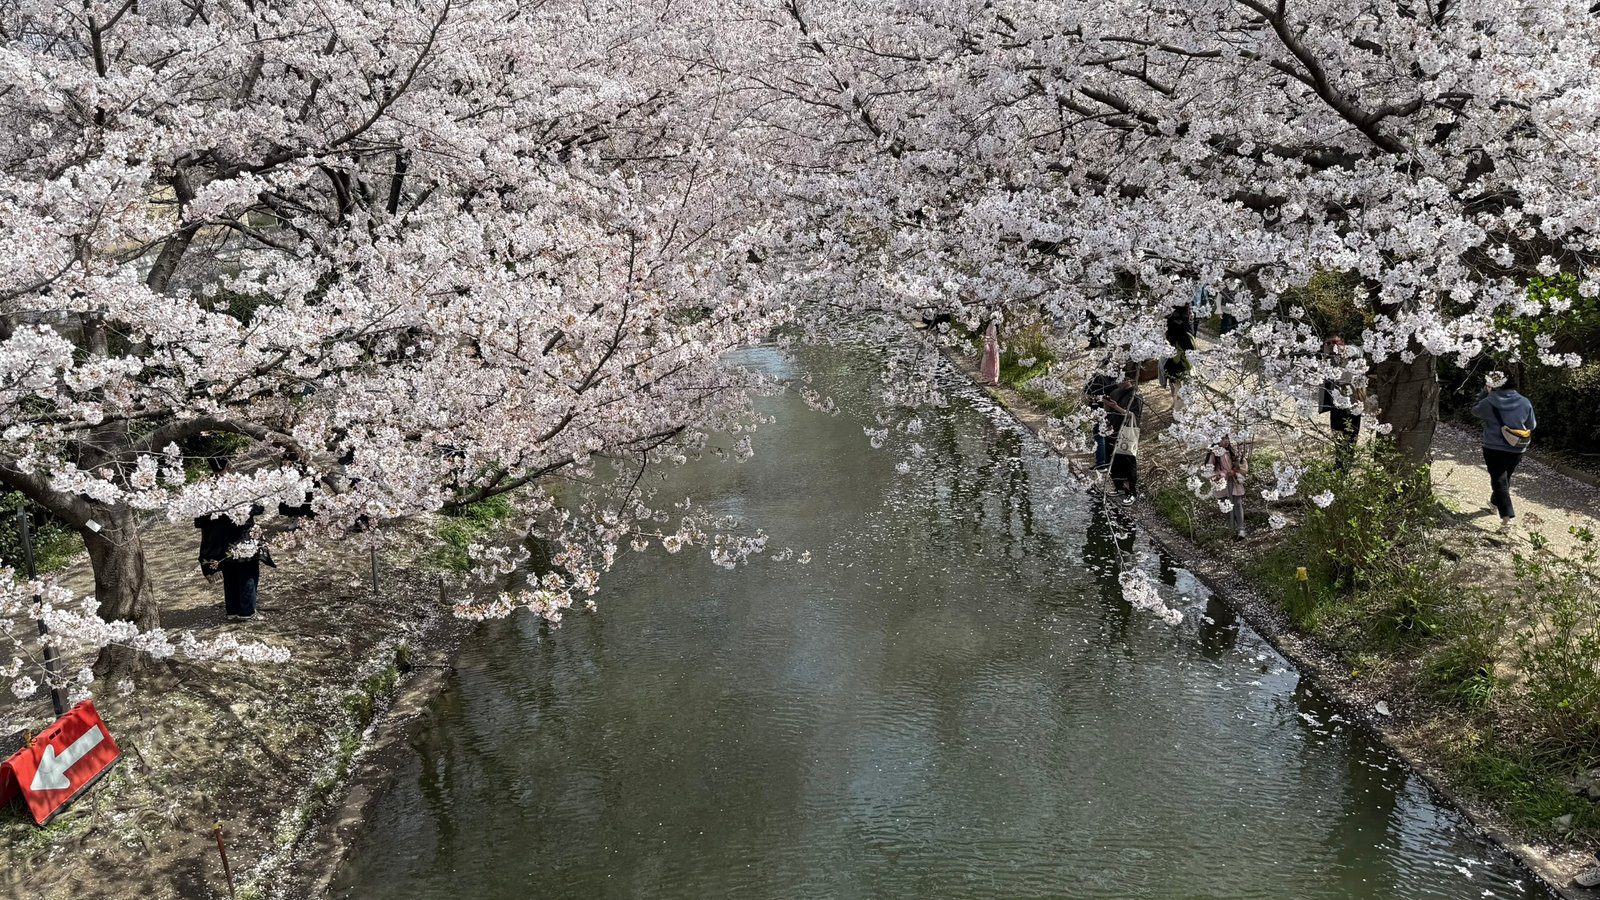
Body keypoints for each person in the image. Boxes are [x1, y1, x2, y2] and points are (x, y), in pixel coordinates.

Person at [1472, 371, 1537, 529]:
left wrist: (1484, 393)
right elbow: (1531, 425)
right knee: (1504, 478)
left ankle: (1507, 517)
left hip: (1494, 446)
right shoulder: (1525, 402)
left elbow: (1475, 411)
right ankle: (1494, 503)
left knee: (1499, 480)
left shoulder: (1489, 402)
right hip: (1517, 447)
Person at [1103, 362, 1145, 504]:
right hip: (1113, 428)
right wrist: (1106, 404)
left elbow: (1134, 416)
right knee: (1114, 459)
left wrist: (1116, 407)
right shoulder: (1115, 392)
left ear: (1127, 379)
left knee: (1128, 461)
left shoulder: (1136, 395)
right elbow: (1108, 411)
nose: (1117, 383)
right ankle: (1118, 486)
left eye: (1119, 380)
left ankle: (1131, 491)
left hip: (1127, 432)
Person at [1318, 336, 1363, 464]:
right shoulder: (1327, 359)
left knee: (1350, 433)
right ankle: (1339, 463)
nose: (1332, 346)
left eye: (1335, 342)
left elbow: (1358, 351)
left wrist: (1343, 349)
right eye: (1328, 343)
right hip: (1335, 403)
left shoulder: (1352, 354)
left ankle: (1346, 465)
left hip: (1352, 402)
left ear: (1342, 341)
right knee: (1337, 433)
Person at [1208, 436, 1249, 539]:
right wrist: (1219, 475)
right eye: (1222, 439)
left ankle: (1241, 529)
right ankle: (1231, 527)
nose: (1226, 441)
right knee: (1225, 505)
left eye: (1227, 438)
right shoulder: (1213, 454)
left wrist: (1234, 471)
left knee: (1237, 503)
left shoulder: (1233, 452)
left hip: (1233, 480)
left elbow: (1242, 464)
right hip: (1221, 483)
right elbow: (1209, 469)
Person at [1083, 364, 1120, 470]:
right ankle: (1107, 462)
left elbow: (1087, 390)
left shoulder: (1098, 378)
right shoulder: (1115, 380)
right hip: (1111, 410)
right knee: (1107, 436)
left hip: (1099, 410)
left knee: (1099, 436)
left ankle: (1101, 463)